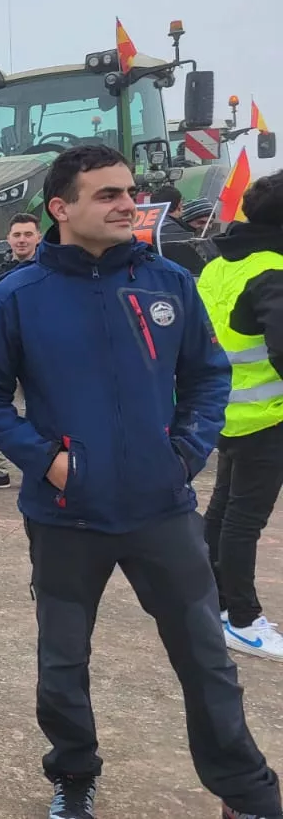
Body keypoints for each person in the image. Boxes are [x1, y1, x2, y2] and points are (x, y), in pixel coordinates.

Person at [0, 144, 280, 819]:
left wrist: (186, 452)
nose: (126, 203)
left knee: (206, 662)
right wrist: (49, 461)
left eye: (128, 191)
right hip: (65, 514)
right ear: (61, 208)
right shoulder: (16, 295)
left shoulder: (167, 283)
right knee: (63, 666)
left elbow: (208, 376)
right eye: (106, 194)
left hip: (162, 511)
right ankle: (74, 775)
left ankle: (246, 791)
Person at [198, 169, 283, 662]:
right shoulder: (273, 269)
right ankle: (244, 619)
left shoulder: (218, 264)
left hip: (224, 412)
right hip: (267, 417)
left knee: (224, 512)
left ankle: (211, 601)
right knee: (243, 521)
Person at [0, 213, 41, 490]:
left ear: (38, 237)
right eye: (17, 235)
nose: (22, 240)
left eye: (27, 234)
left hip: (42, 353)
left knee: (44, 409)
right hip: (6, 352)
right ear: (8, 239)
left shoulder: (53, 270)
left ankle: (44, 463)